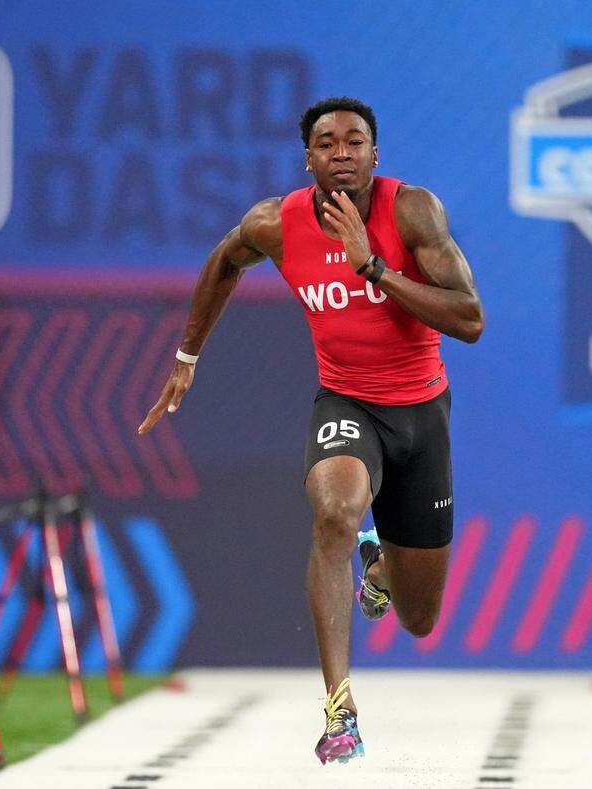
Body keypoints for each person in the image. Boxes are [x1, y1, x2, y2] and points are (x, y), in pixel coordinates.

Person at [137, 96, 484, 764]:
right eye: (327, 143)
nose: (342, 152)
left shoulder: (413, 211)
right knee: (333, 512)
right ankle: (340, 709)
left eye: (356, 141)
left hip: (420, 416)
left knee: (418, 616)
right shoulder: (277, 222)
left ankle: (379, 565)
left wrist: (372, 267)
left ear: (376, 155)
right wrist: (187, 355)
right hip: (347, 405)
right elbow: (224, 261)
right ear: (309, 159)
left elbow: (469, 319)